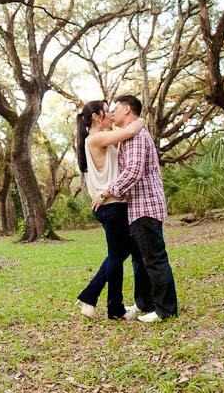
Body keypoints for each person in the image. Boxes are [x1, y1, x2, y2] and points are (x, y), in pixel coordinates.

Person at [94, 94, 178, 323]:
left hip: (145, 206)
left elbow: (133, 171)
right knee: (140, 260)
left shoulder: (136, 135)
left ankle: (165, 310)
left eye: (116, 108)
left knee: (154, 259)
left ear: (128, 109)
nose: (112, 113)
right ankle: (144, 303)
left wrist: (106, 192)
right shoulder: (129, 134)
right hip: (137, 208)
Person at [74, 99, 148, 320]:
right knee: (117, 255)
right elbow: (129, 131)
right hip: (111, 205)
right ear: (96, 117)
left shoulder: (98, 140)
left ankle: (91, 296)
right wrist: (141, 119)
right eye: (107, 111)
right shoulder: (95, 138)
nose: (111, 114)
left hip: (113, 204)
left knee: (120, 253)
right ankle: (113, 309)